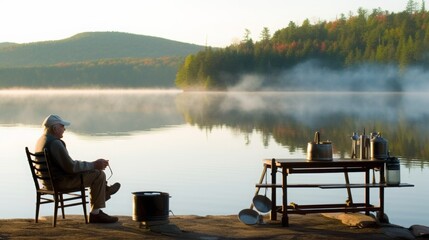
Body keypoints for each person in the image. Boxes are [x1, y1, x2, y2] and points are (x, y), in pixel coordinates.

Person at [35, 114, 121, 224]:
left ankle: (104, 190)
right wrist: (94, 164)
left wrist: (90, 166)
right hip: (60, 183)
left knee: (92, 170)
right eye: (62, 126)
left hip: (48, 182)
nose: (64, 129)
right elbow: (71, 167)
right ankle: (96, 213)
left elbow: (68, 166)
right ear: (55, 128)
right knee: (99, 174)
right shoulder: (55, 143)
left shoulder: (41, 141)